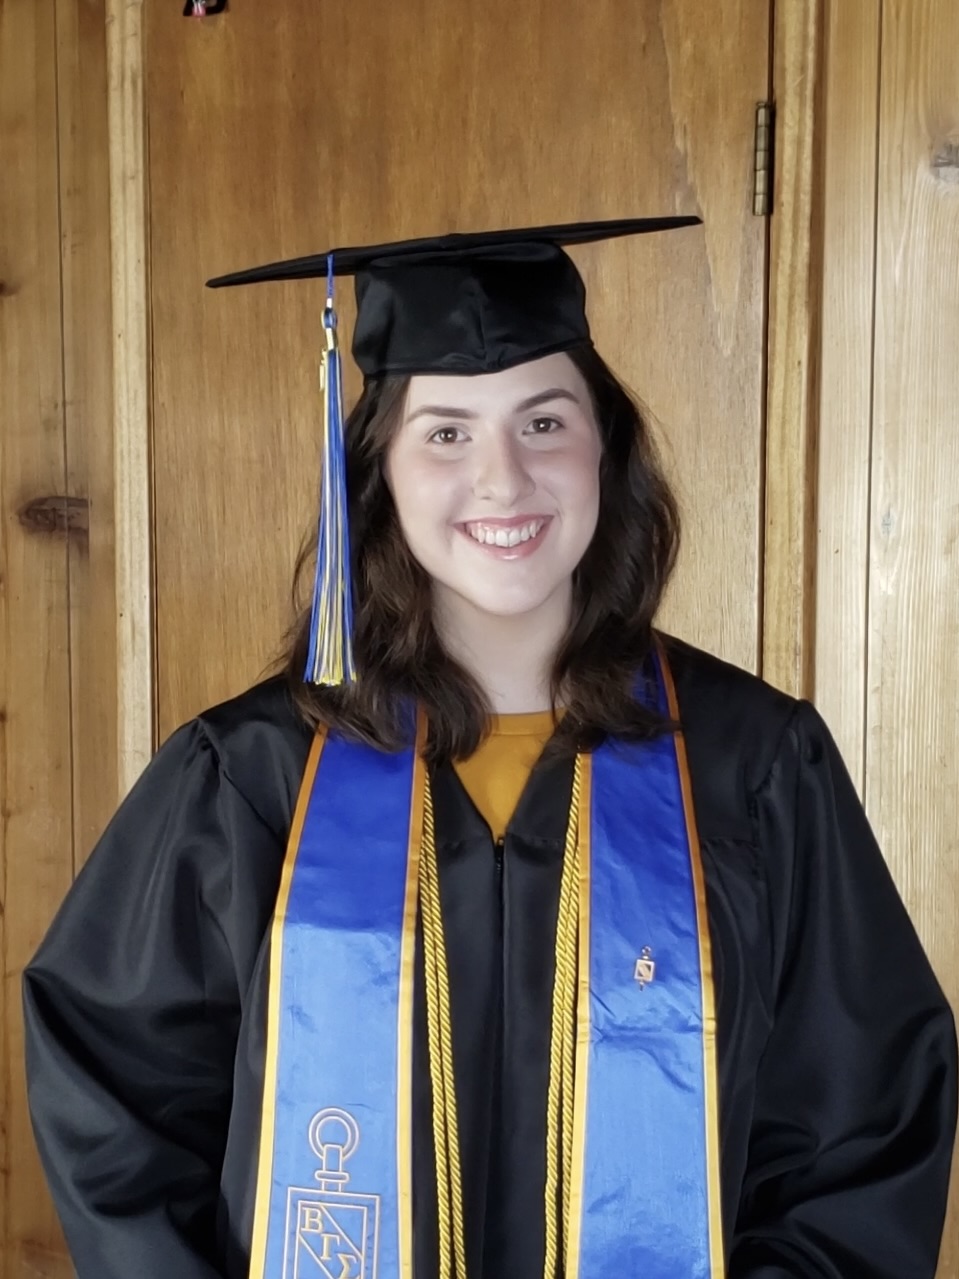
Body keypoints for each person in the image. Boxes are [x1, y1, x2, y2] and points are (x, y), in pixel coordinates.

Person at [23, 219, 957, 1279]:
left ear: (605, 445)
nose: (502, 479)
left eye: (543, 421)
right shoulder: (249, 779)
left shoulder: (754, 768)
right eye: (448, 433)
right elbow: (113, 1100)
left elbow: (860, 1127)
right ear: (379, 466)